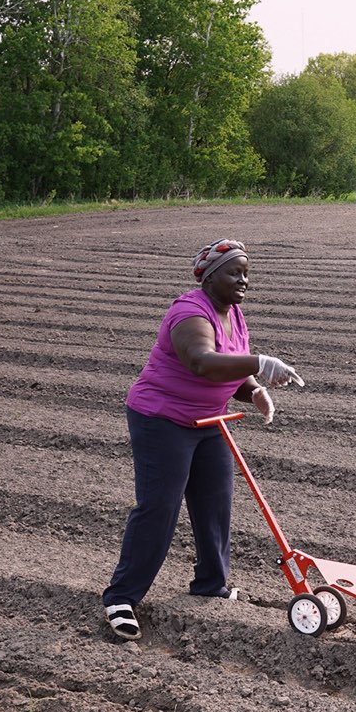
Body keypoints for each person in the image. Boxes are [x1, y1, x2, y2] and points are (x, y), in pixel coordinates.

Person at [101, 238, 304, 642]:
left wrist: (253, 389)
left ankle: (212, 583)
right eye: (234, 272)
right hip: (162, 419)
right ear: (210, 277)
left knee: (214, 502)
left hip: (209, 419)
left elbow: (229, 364)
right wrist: (260, 364)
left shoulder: (235, 315)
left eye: (246, 272)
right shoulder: (189, 311)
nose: (243, 280)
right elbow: (201, 361)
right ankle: (121, 597)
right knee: (159, 508)